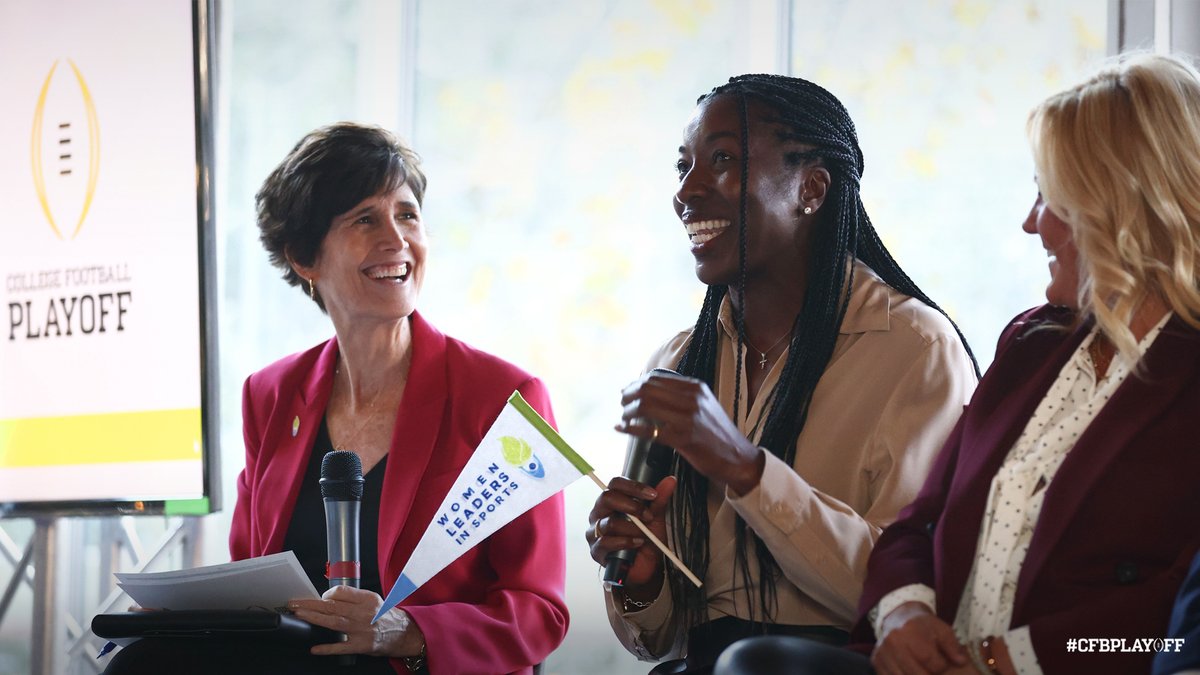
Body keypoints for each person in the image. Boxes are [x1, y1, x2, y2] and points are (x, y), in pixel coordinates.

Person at [711, 52, 1200, 675]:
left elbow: (1173, 629)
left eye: (1052, 197)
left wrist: (1009, 660)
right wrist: (903, 614)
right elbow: (918, 524)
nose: (1033, 224)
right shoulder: (1031, 345)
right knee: (752, 665)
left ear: (1132, 206)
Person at [105, 123, 568, 675]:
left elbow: (539, 611)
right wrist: (186, 613)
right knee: (143, 663)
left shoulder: (506, 398)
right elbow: (252, 575)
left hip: (413, 666)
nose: (396, 240)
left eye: (407, 214)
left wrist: (404, 631)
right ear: (304, 257)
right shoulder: (270, 394)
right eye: (365, 219)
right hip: (295, 662)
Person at [583, 74, 979, 674]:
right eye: (683, 165)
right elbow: (658, 638)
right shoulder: (679, 362)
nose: (687, 190)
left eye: (722, 160)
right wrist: (645, 577)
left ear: (812, 189)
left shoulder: (915, 348)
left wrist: (745, 471)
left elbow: (912, 595)